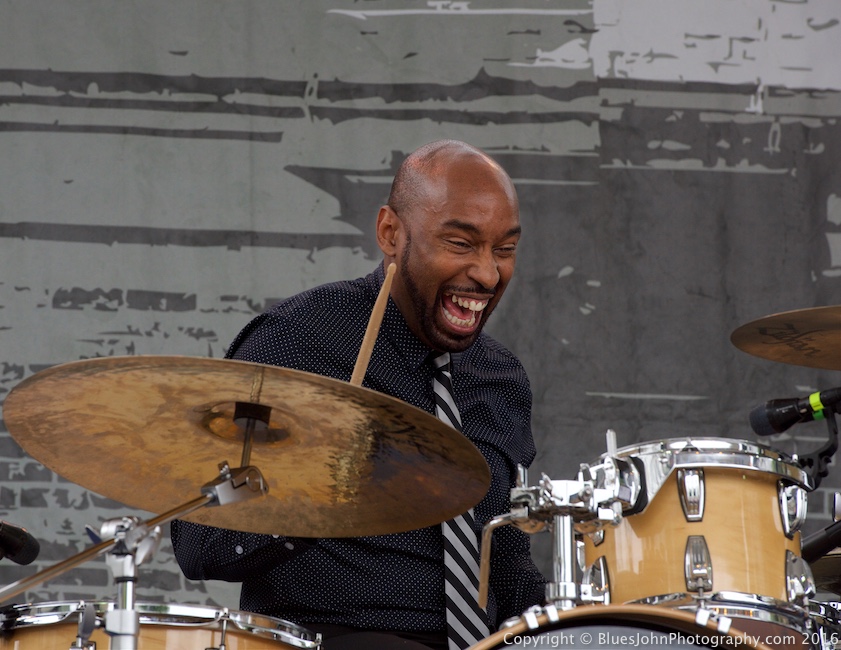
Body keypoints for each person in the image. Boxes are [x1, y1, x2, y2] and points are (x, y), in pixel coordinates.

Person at [171, 140, 547, 649]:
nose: (487, 273)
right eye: (461, 244)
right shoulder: (296, 343)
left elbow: (499, 556)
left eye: (504, 250)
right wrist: (318, 485)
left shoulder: (500, 378)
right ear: (391, 233)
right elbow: (202, 540)